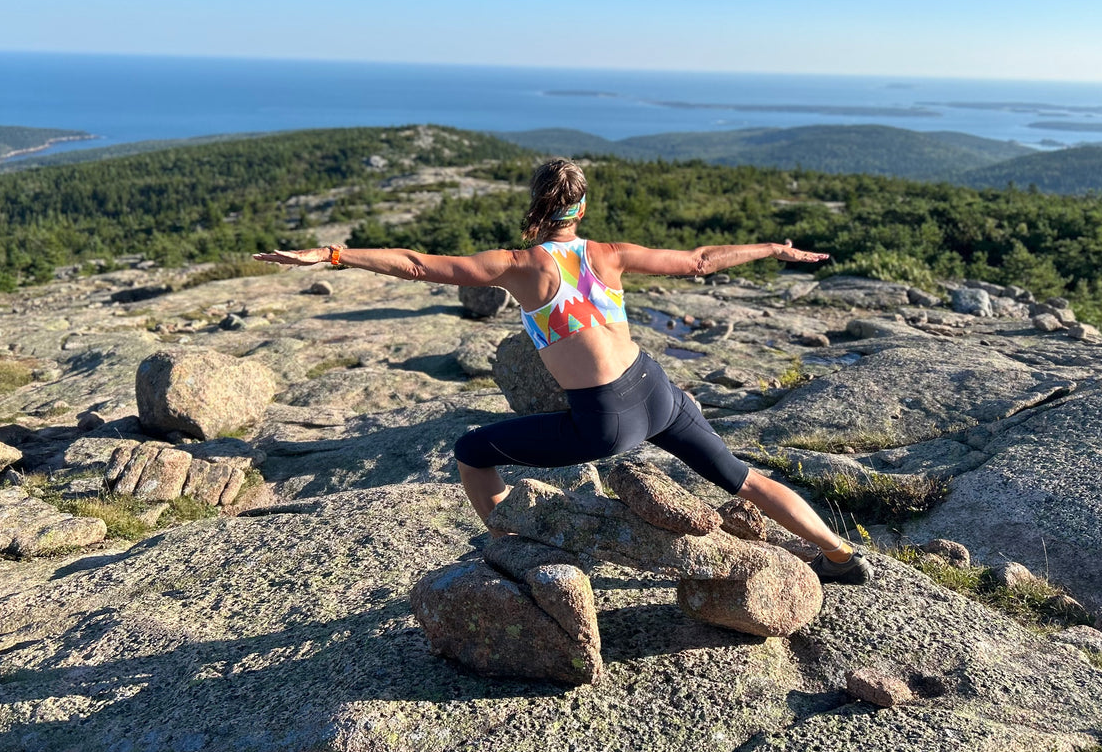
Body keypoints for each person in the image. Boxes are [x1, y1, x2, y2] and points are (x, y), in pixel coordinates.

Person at [254, 157, 872, 583]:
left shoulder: (521, 265)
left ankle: (510, 546)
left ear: (537, 204)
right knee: (743, 480)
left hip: (602, 420)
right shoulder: (608, 254)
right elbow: (702, 262)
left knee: (472, 451)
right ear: (581, 207)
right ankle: (837, 552)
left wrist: (333, 254)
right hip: (656, 389)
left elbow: (418, 265)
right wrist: (775, 249)